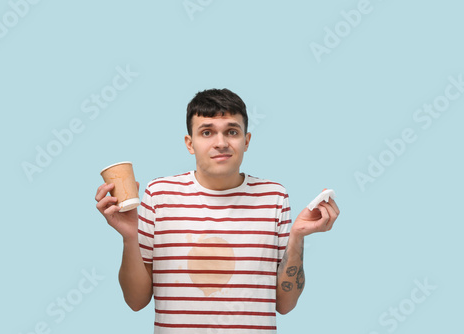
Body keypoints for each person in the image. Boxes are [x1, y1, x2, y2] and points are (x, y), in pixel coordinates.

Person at [95, 88, 340, 333]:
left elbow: (285, 304)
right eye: (207, 132)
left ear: (246, 141)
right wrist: (130, 237)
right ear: (190, 143)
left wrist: (297, 237)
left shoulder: (274, 196)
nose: (221, 143)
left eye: (232, 132)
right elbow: (136, 302)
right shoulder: (159, 194)